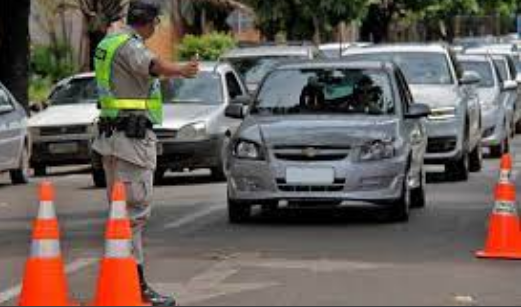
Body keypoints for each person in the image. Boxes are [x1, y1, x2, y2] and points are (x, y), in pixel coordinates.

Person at [91, 0, 199, 305]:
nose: (156, 29)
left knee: (118, 216)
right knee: (133, 216)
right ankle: (134, 288)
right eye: (156, 23)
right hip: (130, 142)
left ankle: (119, 285)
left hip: (111, 138)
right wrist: (181, 69)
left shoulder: (109, 42)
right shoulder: (130, 45)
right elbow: (151, 64)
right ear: (149, 22)